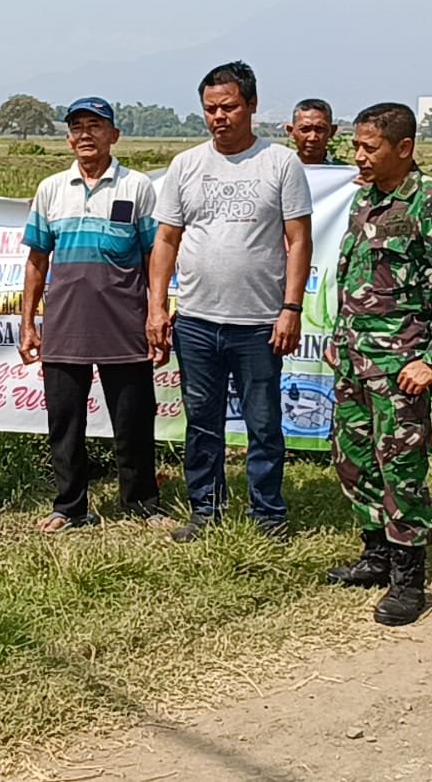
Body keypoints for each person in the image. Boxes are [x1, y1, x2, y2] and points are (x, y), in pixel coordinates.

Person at [323, 102, 432, 626]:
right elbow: (355, 276)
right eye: (357, 146)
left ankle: (409, 579)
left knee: (401, 468)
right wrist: (340, 338)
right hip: (354, 356)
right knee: (352, 456)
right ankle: (376, 555)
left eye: (370, 147)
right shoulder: (365, 199)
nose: (358, 156)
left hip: (401, 364)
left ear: (404, 148)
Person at [148, 61, 314, 541]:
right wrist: (158, 306)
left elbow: (299, 241)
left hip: (259, 323)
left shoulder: (280, 163)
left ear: (253, 106)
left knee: (263, 424)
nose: (219, 117)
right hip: (197, 320)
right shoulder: (187, 165)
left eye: (229, 107)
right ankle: (206, 510)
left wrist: (291, 308)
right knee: (202, 421)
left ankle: (268, 515)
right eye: (210, 109)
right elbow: (166, 241)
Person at [20, 97, 164, 532]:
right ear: (68, 139)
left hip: (126, 324)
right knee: (65, 422)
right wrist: (28, 322)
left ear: (114, 135)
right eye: (78, 127)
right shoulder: (51, 189)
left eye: (96, 126)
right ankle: (69, 507)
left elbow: (155, 255)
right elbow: (37, 261)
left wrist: (157, 312)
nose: (86, 134)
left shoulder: (137, 187)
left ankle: (141, 504)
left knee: (133, 419)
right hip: (64, 325)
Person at [285, 98, 343, 166]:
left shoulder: (344, 172)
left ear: (332, 131)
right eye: (305, 130)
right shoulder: (280, 170)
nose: (312, 138)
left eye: (320, 130)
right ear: (291, 131)